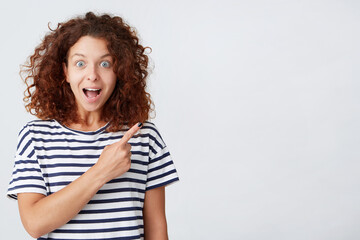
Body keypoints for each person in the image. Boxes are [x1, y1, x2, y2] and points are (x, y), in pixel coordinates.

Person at [7, 12, 179, 240]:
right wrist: (101, 171)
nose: (92, 75)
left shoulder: (144, 136)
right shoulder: (35, 137)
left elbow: (157, 230)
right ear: (66, 72)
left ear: (119, 71)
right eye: (80, 63)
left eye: (105, 63)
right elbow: (34, 224)